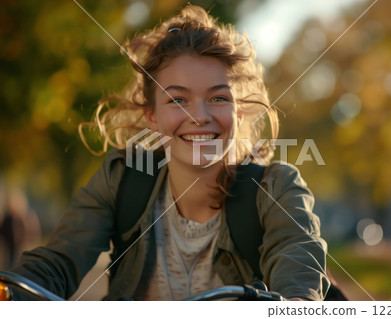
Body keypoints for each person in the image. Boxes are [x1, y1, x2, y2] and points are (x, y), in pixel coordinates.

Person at [10, 5, 330, 301]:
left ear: (240, 112)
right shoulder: (121, 178)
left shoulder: (278, 187)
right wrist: (13, 293)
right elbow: (57, 261)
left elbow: (298, 266)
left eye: (218, 98)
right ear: (152, 115)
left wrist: (297, 302)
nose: (199, 116)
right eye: (178, 100)